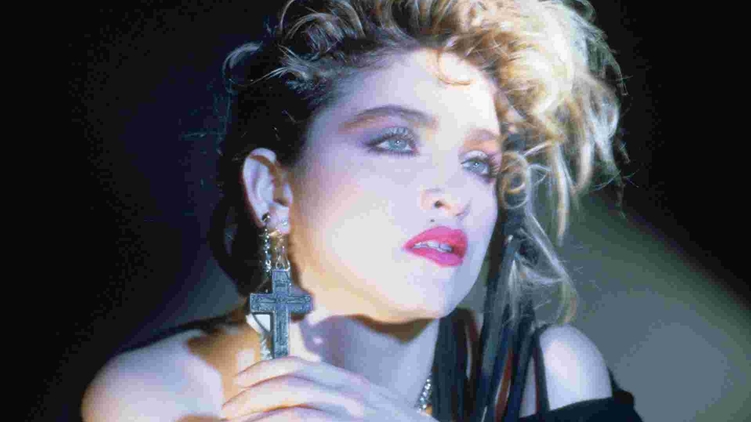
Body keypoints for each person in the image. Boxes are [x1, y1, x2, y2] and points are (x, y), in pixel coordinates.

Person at [81, 0, 643, 420]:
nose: (453, 194)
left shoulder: (550, 379)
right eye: (396, 141)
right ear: (273, 190)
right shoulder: (164, 398)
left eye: (478, 162)